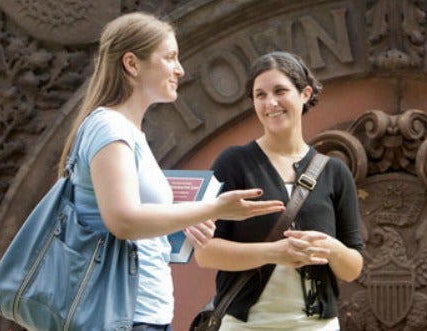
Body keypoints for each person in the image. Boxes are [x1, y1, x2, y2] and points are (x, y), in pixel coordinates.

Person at [57, 12, 285, 331]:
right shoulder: (109, 128)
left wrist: (187, 222)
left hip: (145, 312)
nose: (180, 69)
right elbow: (122, 220)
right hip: (119, 315)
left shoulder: (129, 131)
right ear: (132, 64)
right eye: (170, 58)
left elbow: (134, 220)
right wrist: (215, 208)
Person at [193, 51, 364, 330]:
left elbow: (353, 266)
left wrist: (330, 248)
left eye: (280, 91)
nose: (270, 103)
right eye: (260, 95)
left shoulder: (335, 172)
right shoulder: (233, 163)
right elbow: (205, 252)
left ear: (305, 93)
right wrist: (273, 252)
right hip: (245, 326)